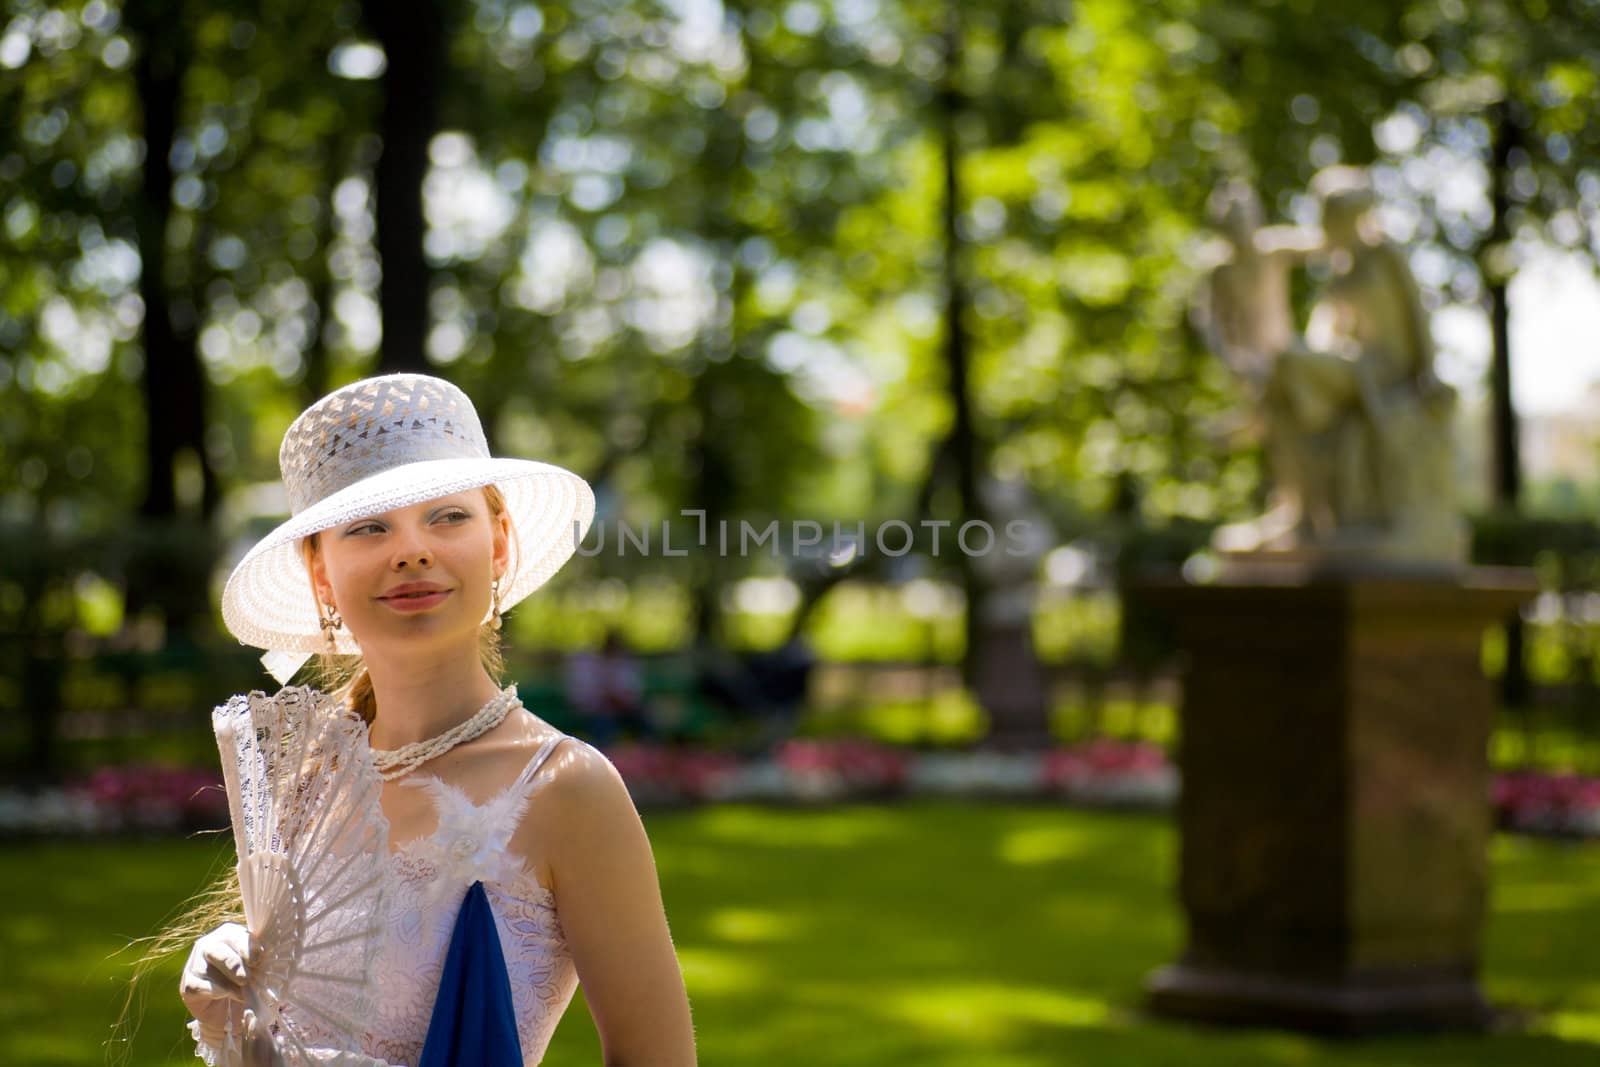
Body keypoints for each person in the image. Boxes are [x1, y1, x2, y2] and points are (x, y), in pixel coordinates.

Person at [169, 373, 697, 1065]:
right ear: (321, 574)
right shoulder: (307, 785)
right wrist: (228, 1009)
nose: (411, 551)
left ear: (499, 542)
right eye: (369, 527)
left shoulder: (566, 787)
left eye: (447, 517)